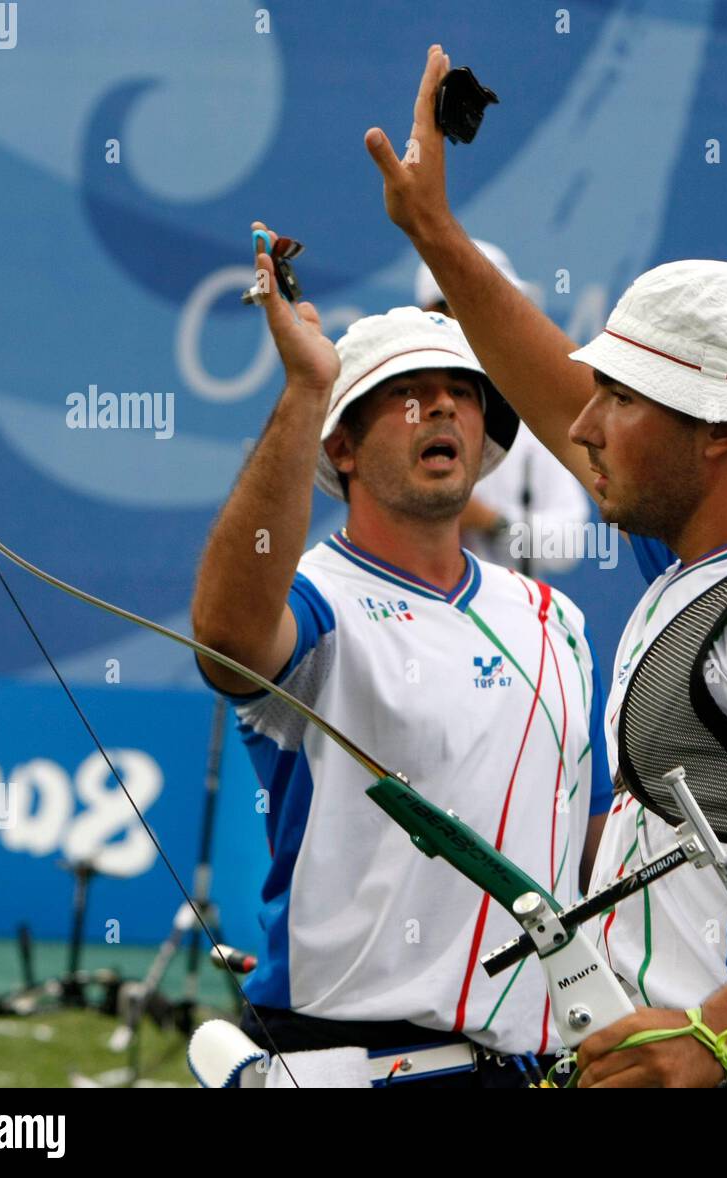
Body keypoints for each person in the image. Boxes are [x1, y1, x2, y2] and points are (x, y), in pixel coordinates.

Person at [361, 45, 727, 1088]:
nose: (582, 423)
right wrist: (436, 236)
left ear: (717, 430)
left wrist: (717, 1030)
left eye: (619, 397)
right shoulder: (695, 570)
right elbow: (547, 386)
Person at [190, 224, 611, 1088]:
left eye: (462, 391)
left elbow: (593, 836)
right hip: (344, 1059)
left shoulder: (556, 618)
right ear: (340, 446)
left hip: (531, 1068)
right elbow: (229, 646)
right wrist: (308, 389)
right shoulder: (317, 602)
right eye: (409, 393)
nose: (445, 407)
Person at [415, 242, 591, 574]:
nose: (495, 323)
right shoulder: (398, 413)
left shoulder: (530, 419)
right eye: (478, 305)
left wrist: (493, 523)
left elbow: (570, 544)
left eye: (500, 306)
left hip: (511, 619)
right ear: (435, 314)